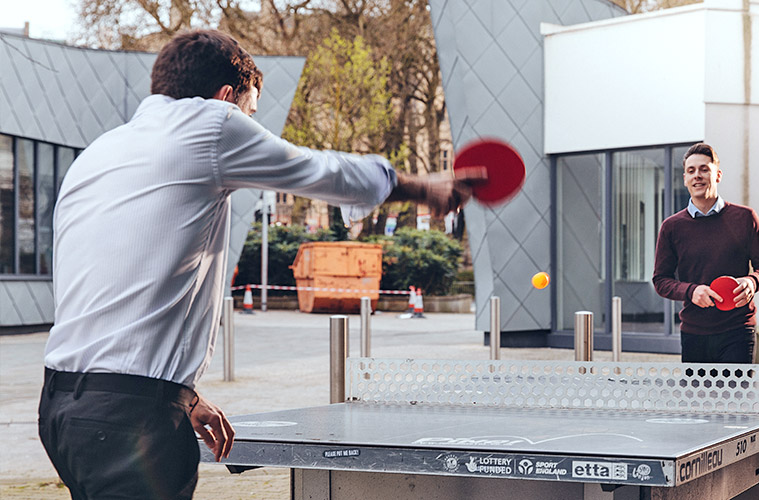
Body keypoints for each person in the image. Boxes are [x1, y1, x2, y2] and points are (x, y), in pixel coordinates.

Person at [38, 29, 478, 500]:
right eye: (250, 113)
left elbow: (102, 287)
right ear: (227, 98)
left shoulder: (101, 152)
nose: (249, 126)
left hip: (63, 407)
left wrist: (181, 396)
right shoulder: (212, 123)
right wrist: (424, 188)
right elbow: (323, 170)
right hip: (128, 419)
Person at [652, 143, 759, 364]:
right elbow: (661, 280)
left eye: (704, 169)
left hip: (739, 330)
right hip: (694, 332)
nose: (697, 176)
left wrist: (751, 282)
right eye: (691, 171)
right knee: (697, 399)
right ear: (685, 179)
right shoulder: (671, 227)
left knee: (737, 398)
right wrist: (691, 291)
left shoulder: (745, 218)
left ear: (717, 175)